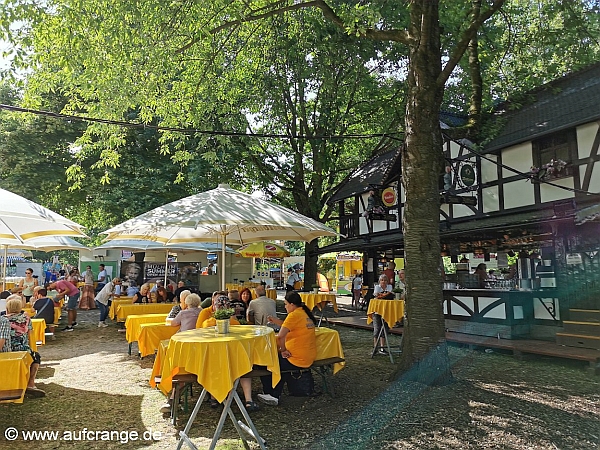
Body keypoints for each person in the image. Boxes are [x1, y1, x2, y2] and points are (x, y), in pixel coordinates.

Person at [257, 291, 317, 406]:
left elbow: (280, 336)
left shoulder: (294, 315)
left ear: (292, 304)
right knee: (279, 362)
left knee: (264, 362)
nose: (285, 307)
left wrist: (283, 350)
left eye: (286, 304)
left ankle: (271, 393)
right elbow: (289, 325)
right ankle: (274, 393)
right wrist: (275, 321)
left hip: (296, 358)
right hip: (308, 356)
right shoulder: (304, 313)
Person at [4, 296, 45, 397]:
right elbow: (31, 335)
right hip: (23, 349)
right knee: (36, 358)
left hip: (8, 349)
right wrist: (32, 349)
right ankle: (31, 383)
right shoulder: (27, 319)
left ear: (8, 308)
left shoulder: (3, 320)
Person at [372, 274, 394, 354]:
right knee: (377, 328)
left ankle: (382, 347)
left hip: (387, 310)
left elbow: (389, 295)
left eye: (385, 280)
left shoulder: (389, 287)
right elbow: (376, 295)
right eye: (382, 280)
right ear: (379, 281)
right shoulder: (377, 287)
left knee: (385, 328)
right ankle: (375, 348)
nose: (383, 282)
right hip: (377, 310)